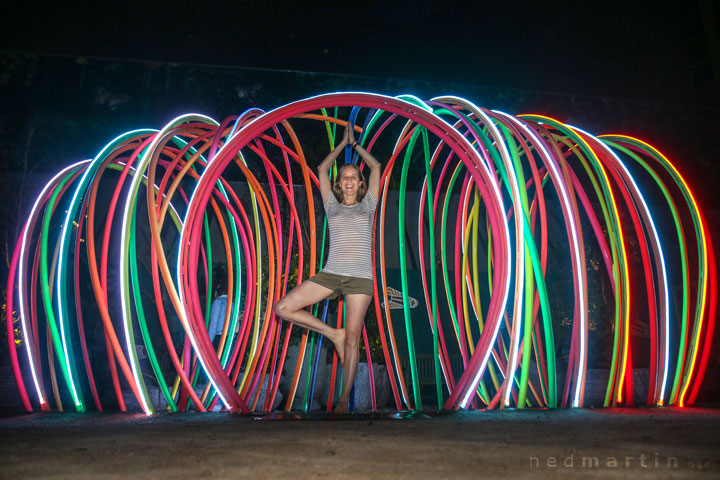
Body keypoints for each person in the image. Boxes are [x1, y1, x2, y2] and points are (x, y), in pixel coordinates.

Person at [274, 121, 381, 414]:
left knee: (354, 339)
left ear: (360, 183)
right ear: (339, 183)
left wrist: (356, 148)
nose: (348, 181)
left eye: (353, 177)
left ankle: (344, 401)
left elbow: (377, 167)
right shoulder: (332, 205)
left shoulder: (369, 205)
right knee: (283, 308)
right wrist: (342, 146)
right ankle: (332, 334)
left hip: (360, 278)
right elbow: (321, 169)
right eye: (344, 177)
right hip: (331, 273)